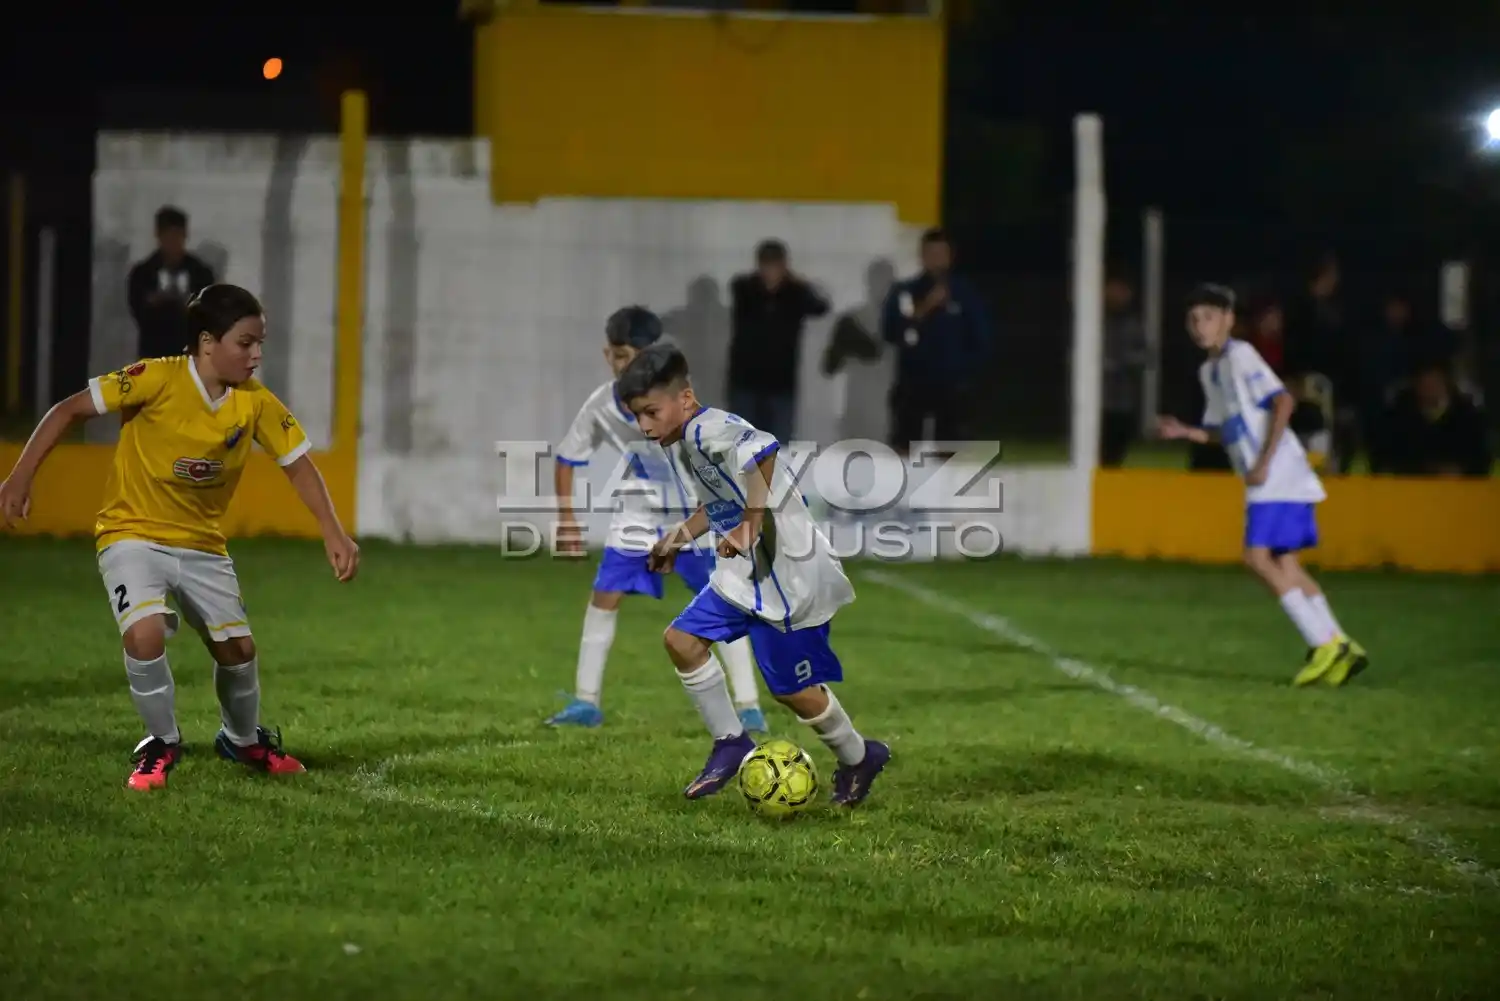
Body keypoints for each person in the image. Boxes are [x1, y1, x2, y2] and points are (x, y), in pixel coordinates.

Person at [0, 284, 359, 790]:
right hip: (132, 534)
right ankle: (160, 743)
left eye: (260, 343)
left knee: (238, 650)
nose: (256, 354)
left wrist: (333, 532)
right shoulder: (156, 377)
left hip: (203, 544)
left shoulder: (254, 403)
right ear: (207, 342)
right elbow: (68, 410)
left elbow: (297, 464)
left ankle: (240, 739)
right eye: (246, 342)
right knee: (144, 635)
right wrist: (20, 476)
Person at [616, 340, 890, 805]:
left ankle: (860, 756)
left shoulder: (709, 428)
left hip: (789, 576)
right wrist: (677, 538)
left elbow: (763, 448)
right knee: (681, 641)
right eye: (637, 416)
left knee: (794, 692)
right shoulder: (682, 443)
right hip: (743, 575)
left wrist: (751, 522)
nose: (644, 426)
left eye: (650, 412)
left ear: (684, 399)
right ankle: (731, 742)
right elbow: (718, 502)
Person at [548, 307, 766, 732]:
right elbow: (567, 456)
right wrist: (567, 520)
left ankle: (749, 706)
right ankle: (585, 702)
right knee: (604, 597)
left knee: (723, 600)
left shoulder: (676, 398)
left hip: (693, 518)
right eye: (614, 355)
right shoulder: (601, 405)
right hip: (639, 514)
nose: (619, 364)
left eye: (628, 355)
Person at [1156, 283, 1368, 688]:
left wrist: (1264, 464)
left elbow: (1283, 401)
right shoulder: (1210, 371)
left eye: (1209, 317)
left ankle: (1322, 643)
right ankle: (1340, 643)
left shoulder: (1240, 356)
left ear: (1229, 320)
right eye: (1193, 319)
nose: (1200, 326)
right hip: (1274, 475)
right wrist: (1186, 431)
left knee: (1255, 558)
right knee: (1286, 564)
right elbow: (1225, 431)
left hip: (1276, 474)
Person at [880, 228, 991, 452]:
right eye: (930, 254)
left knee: (949, 451)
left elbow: (980, 338)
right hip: (913, 383)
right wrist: (925, 307)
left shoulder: (965, 293)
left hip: (952, 386)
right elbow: (892, 332)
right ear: (921, 256)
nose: (936, 260)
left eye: (941, 254)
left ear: (951, 257)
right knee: (904, 448)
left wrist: (965, 372)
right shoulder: (905, 292)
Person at [726, 240, 830, 446]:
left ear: (784, 267)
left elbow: (821, 307)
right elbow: (738, 291)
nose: (771, 272)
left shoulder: (795, 293)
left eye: (776, 266)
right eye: (767, 265)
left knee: (778, 448)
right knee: (741, 446)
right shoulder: (745, 289)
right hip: (745, 381)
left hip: (780, 383)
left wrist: (799, 283)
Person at [127, 206, 216, 360]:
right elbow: (138, 312)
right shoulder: (142, 274)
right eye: (168, 237)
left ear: (185, 235)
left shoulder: (201, 273)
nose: (173, 244)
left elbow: (210, 313)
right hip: (153, 356)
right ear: (158, 236)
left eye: (177, 237)